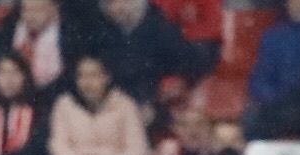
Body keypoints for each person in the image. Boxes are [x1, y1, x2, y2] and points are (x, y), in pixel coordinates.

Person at [45, 55, 149, 155]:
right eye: (82, 76)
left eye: (93, 75)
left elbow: (138, 149)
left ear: (106, 77)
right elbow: (58, 146)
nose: (87, 82)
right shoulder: (64, 105)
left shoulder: (125, 105)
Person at [75, 0, 212, 109]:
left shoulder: (160, 27)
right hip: (112, 105)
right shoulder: (100, 32)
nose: (119, 8)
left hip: (155, 103)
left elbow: (189, 65)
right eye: (112, 3)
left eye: (125, 1)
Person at [245, 0, 300, 140]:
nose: (298, 4)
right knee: (252, 118)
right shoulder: (273, 36)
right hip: (280, 105)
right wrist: (276, 99)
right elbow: (260, 78)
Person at [0, 0, 74, 104]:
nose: (30, 16)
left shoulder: (69, 36)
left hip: (53, 100)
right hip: (12, 100)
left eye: (37, 10)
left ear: (53, 10)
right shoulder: (9, 30)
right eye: (25, 10)